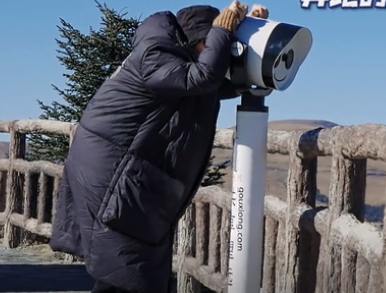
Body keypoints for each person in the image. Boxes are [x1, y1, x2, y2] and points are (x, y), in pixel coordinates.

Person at [49, 1, 268, 293]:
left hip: (123, 173)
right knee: (131, 271)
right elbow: (204, 77)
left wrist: (252, 35)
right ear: (194, 38)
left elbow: (222, 82)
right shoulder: (156, 54)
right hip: (113, 177)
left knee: (128, 270)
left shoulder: (175, 59)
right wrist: (223, 30)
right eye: (210, 42)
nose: (216, 52)